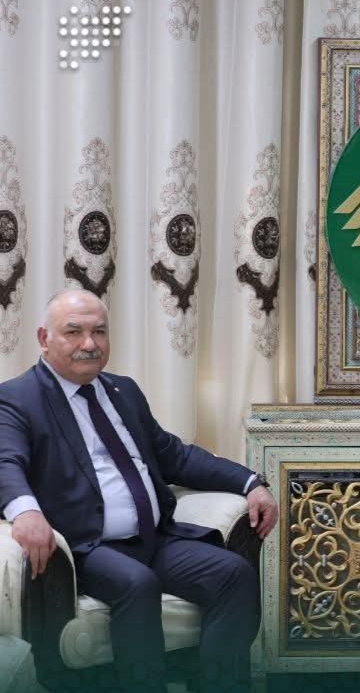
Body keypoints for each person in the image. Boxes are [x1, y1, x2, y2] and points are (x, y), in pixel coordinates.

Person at [0, 289, 279, 693]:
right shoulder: (18, 398)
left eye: (99, 332)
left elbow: (174, 456)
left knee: (233, 574)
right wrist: (26, 511)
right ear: (44, 338)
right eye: (74, 332)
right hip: (88, 547)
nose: (89, 343)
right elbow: (6, 461)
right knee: (137, 583)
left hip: (154, 539)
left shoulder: (123, 391)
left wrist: (250, 482)